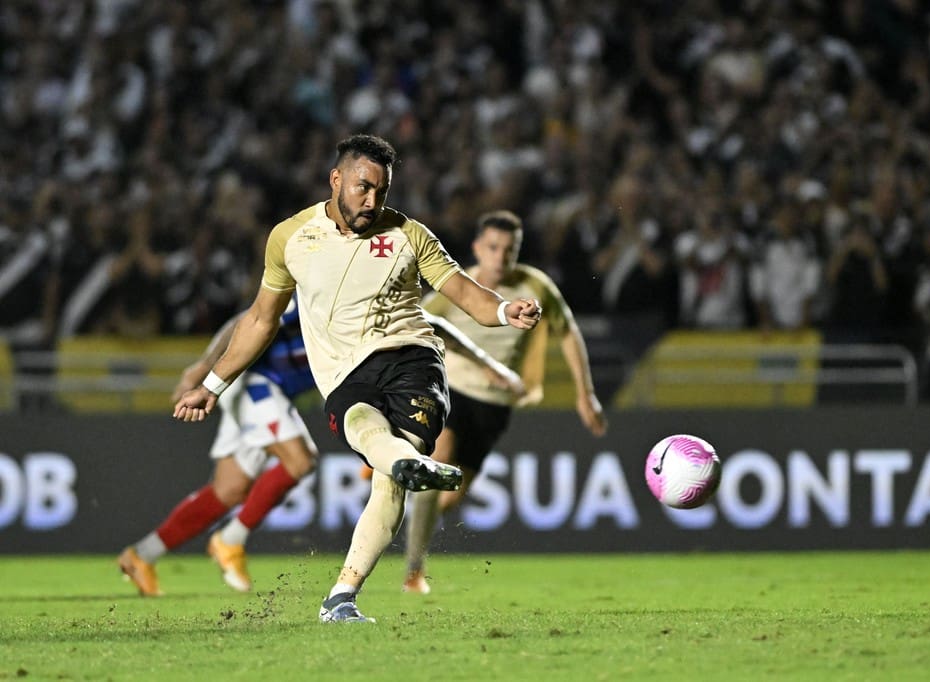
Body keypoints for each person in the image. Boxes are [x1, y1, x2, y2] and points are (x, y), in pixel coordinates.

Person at [172, 134, 542, 624]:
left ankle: (342, 595)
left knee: (387, 476)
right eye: (363, 188)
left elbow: (463, 293)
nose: (371, 202)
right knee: (367, 431)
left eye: (381, 192)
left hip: (412, 357)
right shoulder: (291, 238)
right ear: (336, 179)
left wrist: (503, 309)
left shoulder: (410, 235)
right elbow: (260, 320)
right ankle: (405, 470)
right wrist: (212, 384)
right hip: (345, 373)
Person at [401, 209, 608, 594]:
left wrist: (586, 393)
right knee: (439, 458)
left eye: (508, 250)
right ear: (479, 247)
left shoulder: (535, 285)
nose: (500, 257)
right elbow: (416, 323)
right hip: (452, 390)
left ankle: (400, 483)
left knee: (450, 494)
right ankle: (414, 572)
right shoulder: (459, 286)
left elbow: (568, 333)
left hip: (496, 405)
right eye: (493, 248)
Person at [118, 294, 319, 596]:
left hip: (273, 391)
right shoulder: (318, 297)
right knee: (299, 461)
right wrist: (203, 368)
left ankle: (141, 556)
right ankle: (231, 540)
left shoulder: (363, 320)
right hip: (255, 378)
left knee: (229, 490)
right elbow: (247, 320)